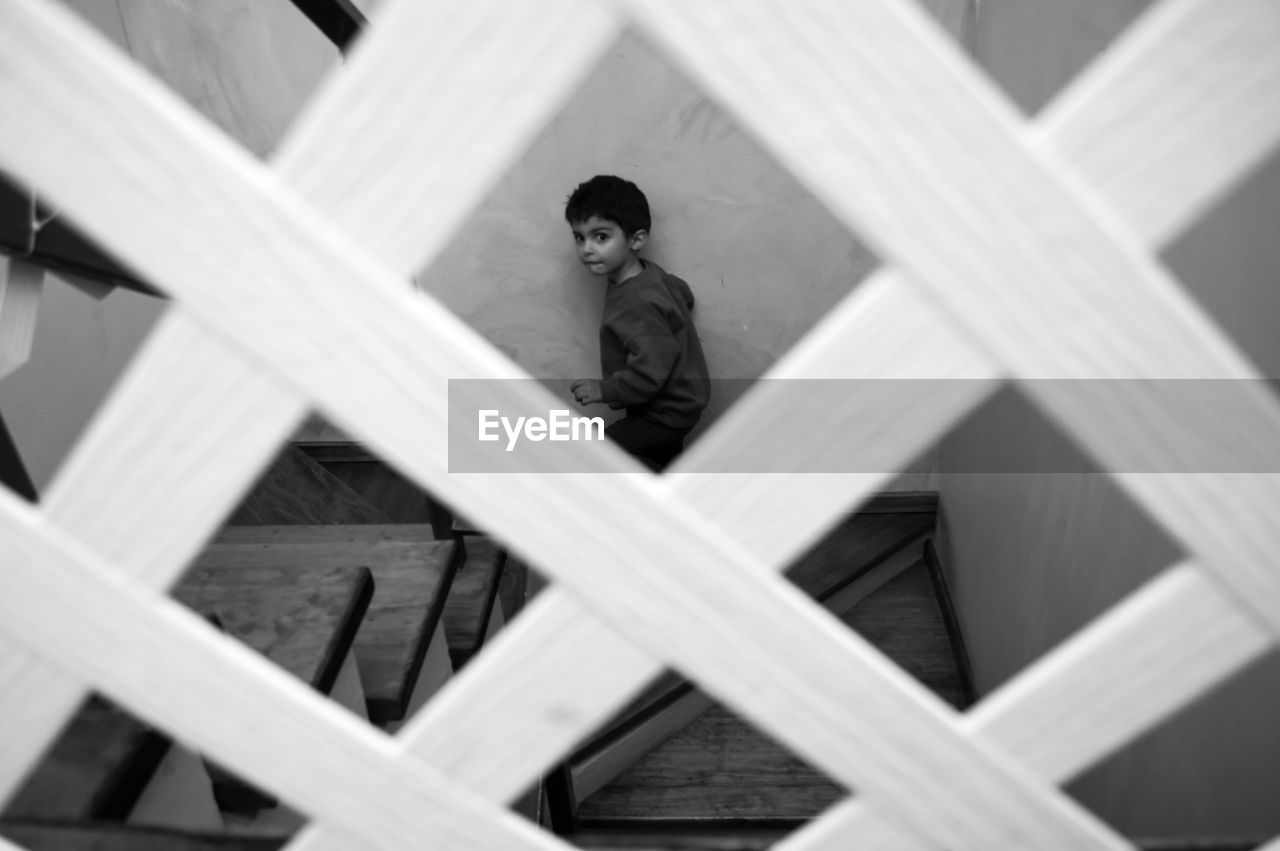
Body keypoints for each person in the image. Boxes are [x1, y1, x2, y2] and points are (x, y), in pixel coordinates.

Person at [566, 175, 710, 472]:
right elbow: (683, 294)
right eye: (580, 237)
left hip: (664, 413)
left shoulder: (637, 302)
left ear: (636, 239)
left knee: (595, 457)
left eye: (601, 237)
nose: (586, 249)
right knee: (660, 467)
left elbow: (649, 375)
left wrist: (602, 390)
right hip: (677, 404)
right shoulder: (649, 275)